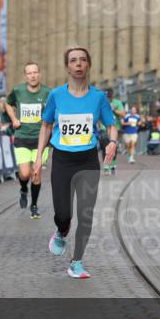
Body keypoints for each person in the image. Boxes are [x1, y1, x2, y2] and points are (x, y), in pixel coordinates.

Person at [32, 47, 117, 279]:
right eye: (73, 60)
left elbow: (111, 124)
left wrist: (112, 143)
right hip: (62, 159)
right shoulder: (56, 96)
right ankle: (61, 230)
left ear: (88, 65)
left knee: (86, 213)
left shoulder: (99, 97)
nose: (78, 63)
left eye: (82, 60)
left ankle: (76, 262)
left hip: (88, 160)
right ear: (67, 67)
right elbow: (46, 126)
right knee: (63, 212)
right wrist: (39, 157)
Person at [5, 62, 51, 218]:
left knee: (36, 174)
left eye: (35, 72)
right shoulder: (18, 91)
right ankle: (24, 189)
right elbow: (8, 104)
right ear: (26, 76)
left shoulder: (47, 92)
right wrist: (13, 119)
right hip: (22, 137)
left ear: (39, 74)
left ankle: (34, 205)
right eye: (29, 73)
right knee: (25, 174)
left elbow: (54, 111)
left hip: (41, 140)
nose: (32, 75)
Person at [102, 89, 127, 174]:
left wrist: (114, 110)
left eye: (110, 97)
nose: (108, 99)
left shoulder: (117, 102)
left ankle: (112, 164)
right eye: (106, 97)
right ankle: (106, 165)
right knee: (104, 146)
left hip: (115, 127)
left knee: (113, 146)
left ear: (112, 96)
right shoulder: (102, 102)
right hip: (103, 128)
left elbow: (123, 114)